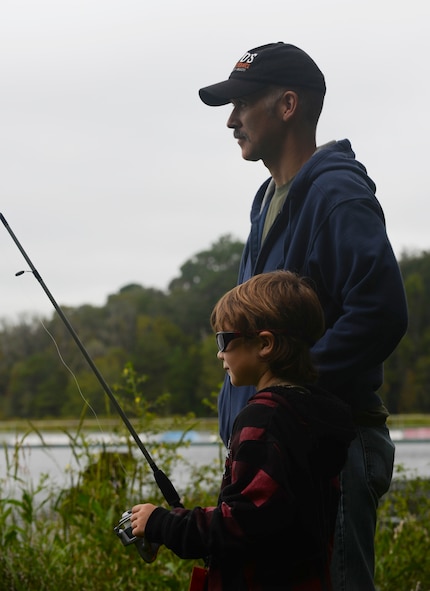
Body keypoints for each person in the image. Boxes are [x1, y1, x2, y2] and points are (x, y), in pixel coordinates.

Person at [197, 42, 408, 590]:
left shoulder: (337, 193)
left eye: (242, 103)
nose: (231, 120)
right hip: (269, 451)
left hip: (325, 452)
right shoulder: (266, 198)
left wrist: (283, 398)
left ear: (288, 105)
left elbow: (380, 311)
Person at [131, 270, 356, 590]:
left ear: (265, 344)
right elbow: (272, 519)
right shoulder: (312, 415)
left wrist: (164, 524)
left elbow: (243, 522)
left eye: (225, 340)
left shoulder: (263, 419)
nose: (220, 353)